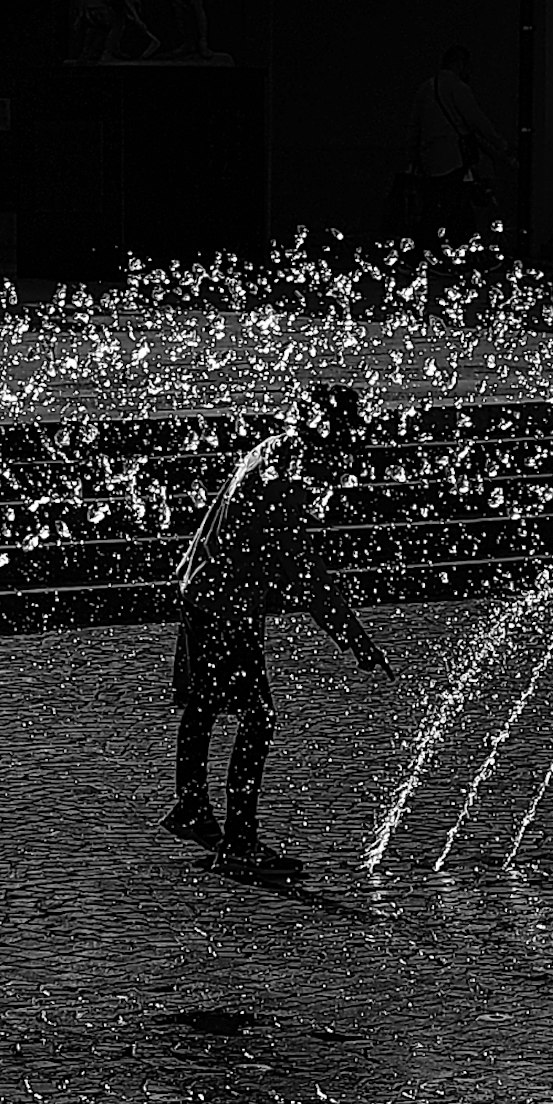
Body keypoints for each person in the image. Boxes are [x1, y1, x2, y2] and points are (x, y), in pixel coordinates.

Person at [167, 374, 389, 888]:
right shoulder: (287, 477)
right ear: (328, 430)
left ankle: (191, 803)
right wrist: (354, 639)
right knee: (258, 716)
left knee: (205, 700)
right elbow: (306, 575)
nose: (351, 449)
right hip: (224, 601)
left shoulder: (272, 450)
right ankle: (239, 844)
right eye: (347, 435)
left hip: (200, 585)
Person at [404, 43, 494, 240]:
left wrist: (413, 157)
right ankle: (458, 246)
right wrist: (500, 144)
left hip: (429, 159)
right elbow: (477, 121)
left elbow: (414, 127)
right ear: (461, 64)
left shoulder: (425, 88)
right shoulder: (458, 89)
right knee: (458, 207)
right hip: (453, 159)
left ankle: (429, 249)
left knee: (432, 208)